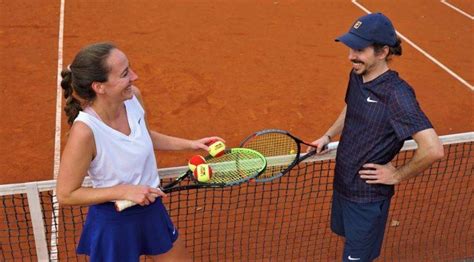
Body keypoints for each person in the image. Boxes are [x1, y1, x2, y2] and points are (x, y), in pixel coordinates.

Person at [56, 42, 223, 261]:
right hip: (114, 222)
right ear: (100, 87)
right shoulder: (85, 132)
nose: (134, 77)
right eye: (125, 73)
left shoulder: (133, 97)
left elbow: (144, 135)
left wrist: (191, 144)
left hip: (151, 210)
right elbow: (66, 194)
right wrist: (124, 191)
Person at [308, 13, 444, 262]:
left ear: (382, 52)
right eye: (350, 47)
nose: (351, 56)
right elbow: (352, 106)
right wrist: (328, 135)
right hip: (344, 185)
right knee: (347, 239)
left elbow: (433, 149)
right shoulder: (357, 74)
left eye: (359, 49)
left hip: (367, 199)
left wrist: (397, 175)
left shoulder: (397, 95)